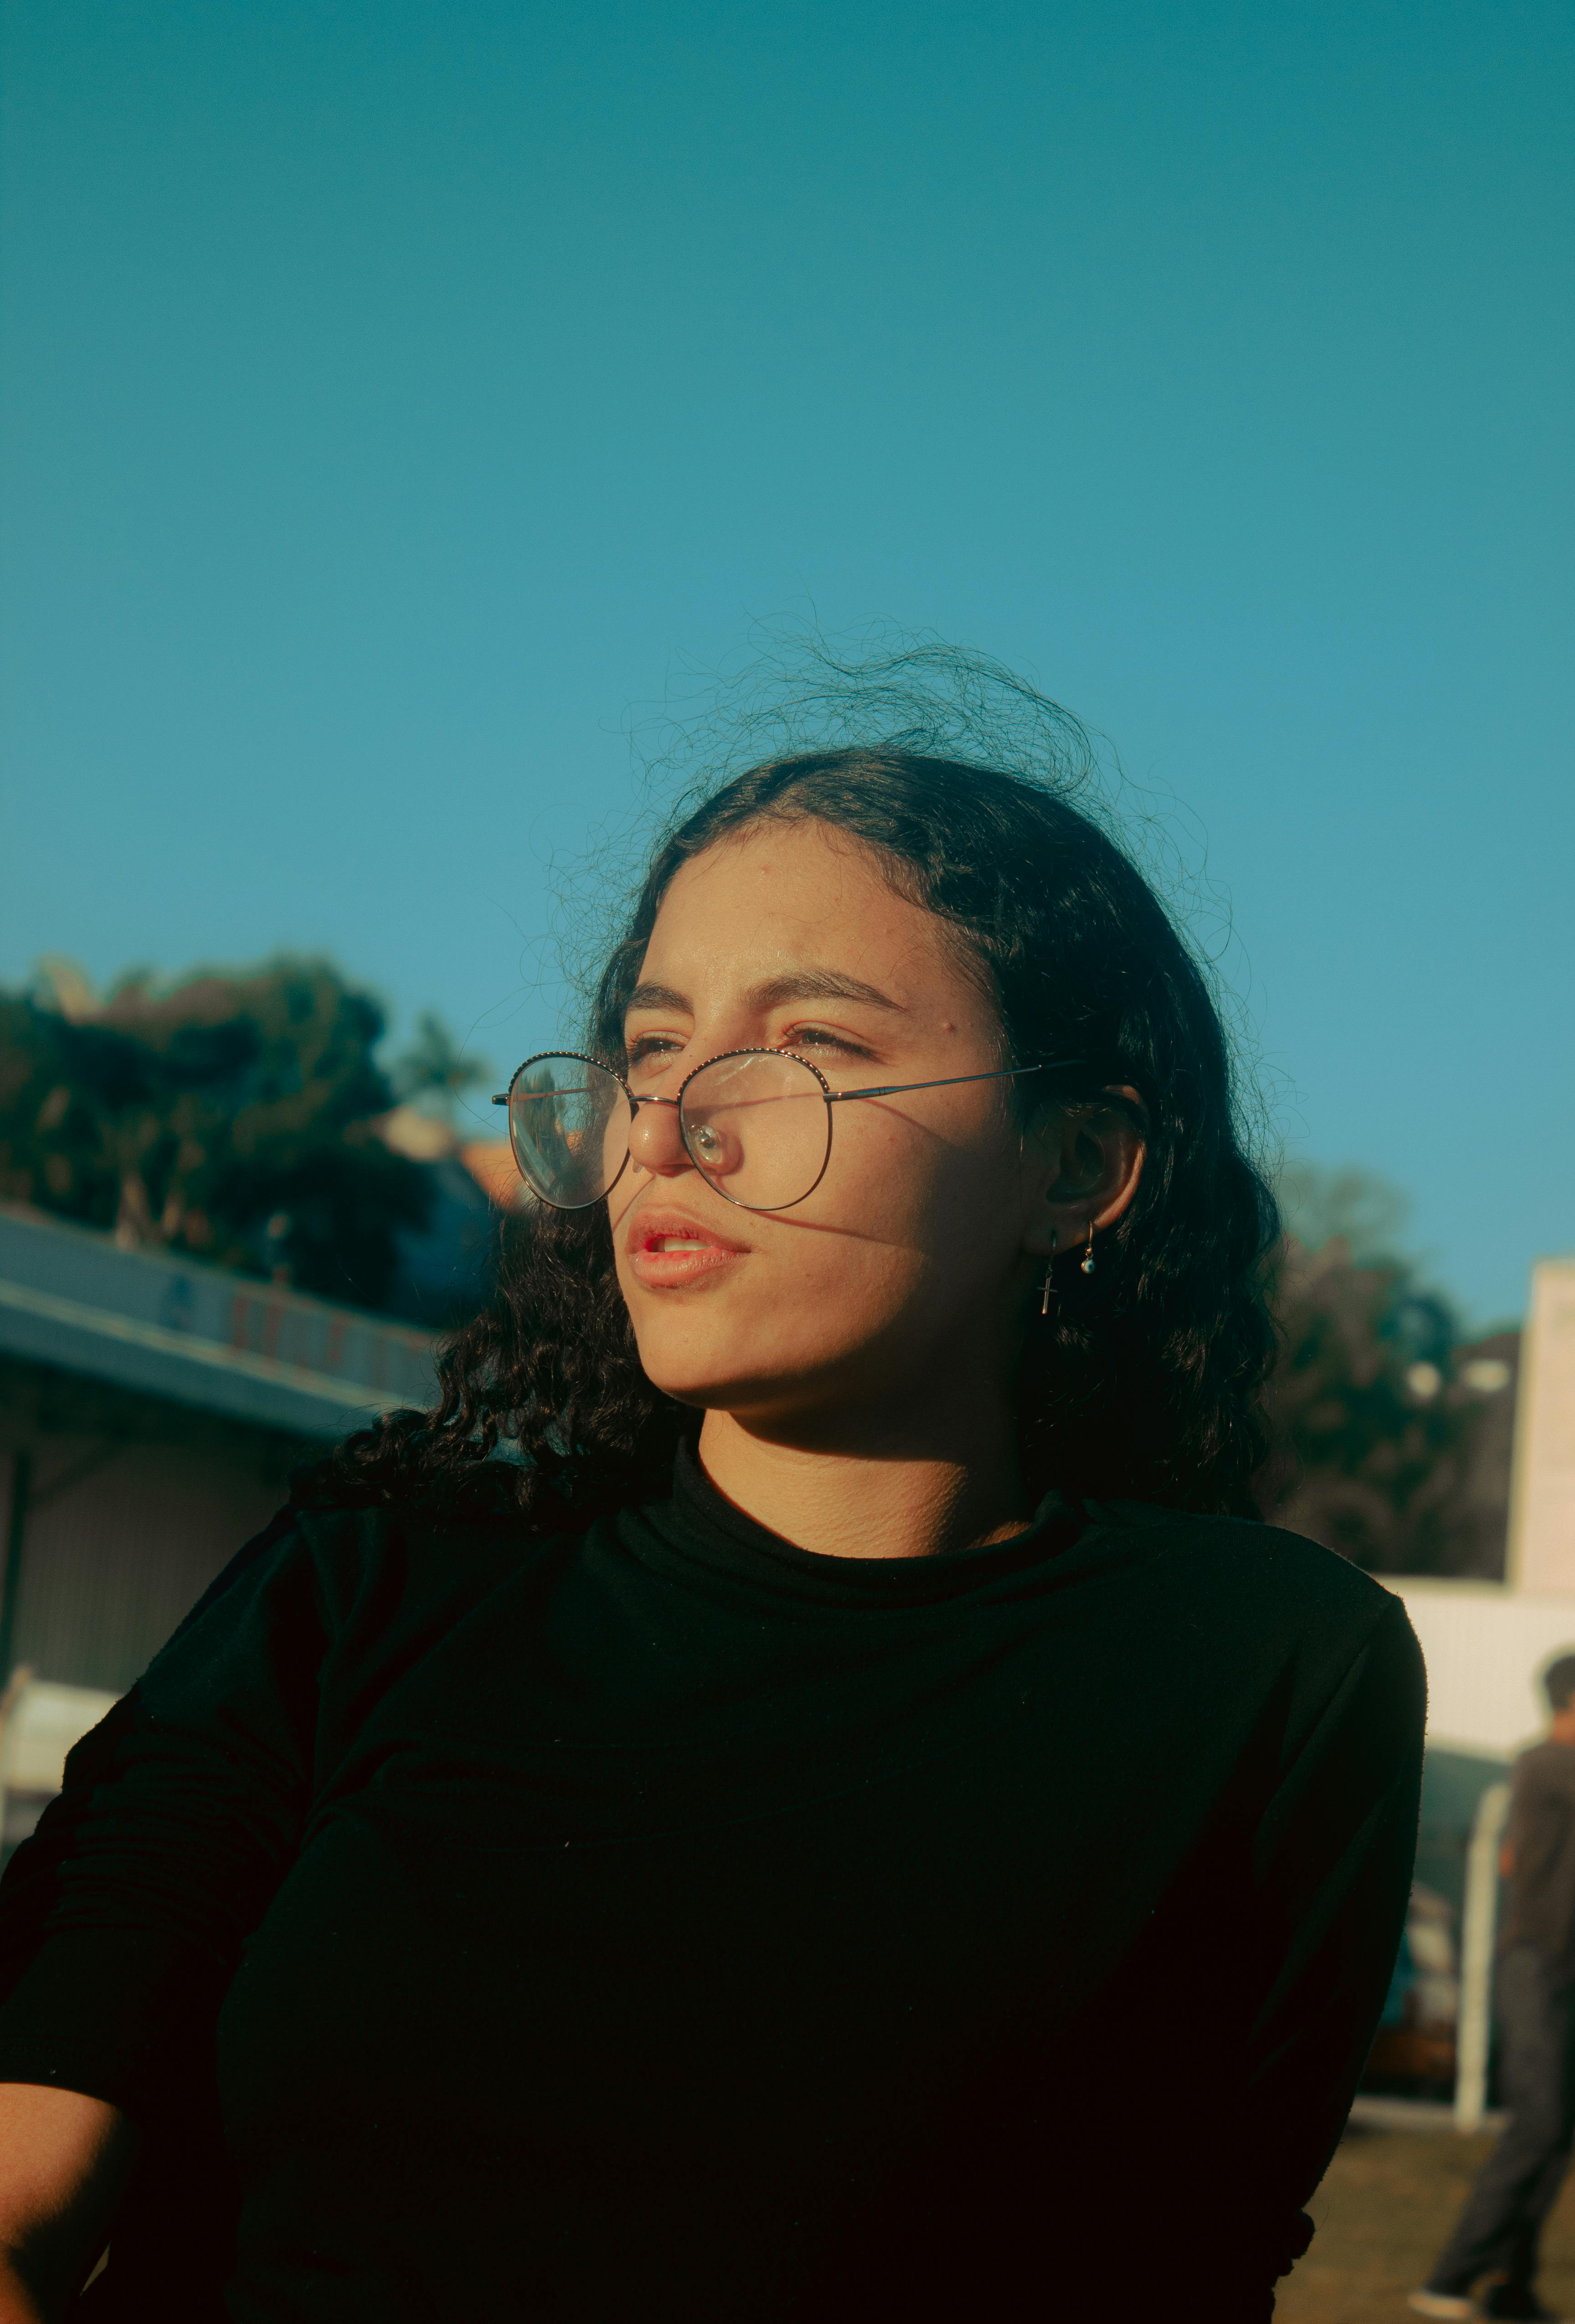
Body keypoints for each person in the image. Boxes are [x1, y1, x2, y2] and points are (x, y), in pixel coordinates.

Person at [0, 653, 1423, 2323]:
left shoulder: (1260, 1672)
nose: (668, 1128)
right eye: (650, 1044)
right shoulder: (374, 1576)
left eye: (808, 1041)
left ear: (1074, 1167)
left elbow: (1186, 2261)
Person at [1412, 1656, 1575, 2323]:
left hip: (1568, 1969)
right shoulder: (1545, 1762)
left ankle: (1511, 2285)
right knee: (1537, 2123)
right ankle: (1449, 2280)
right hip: (1535, 1964)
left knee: (1558, 2128)